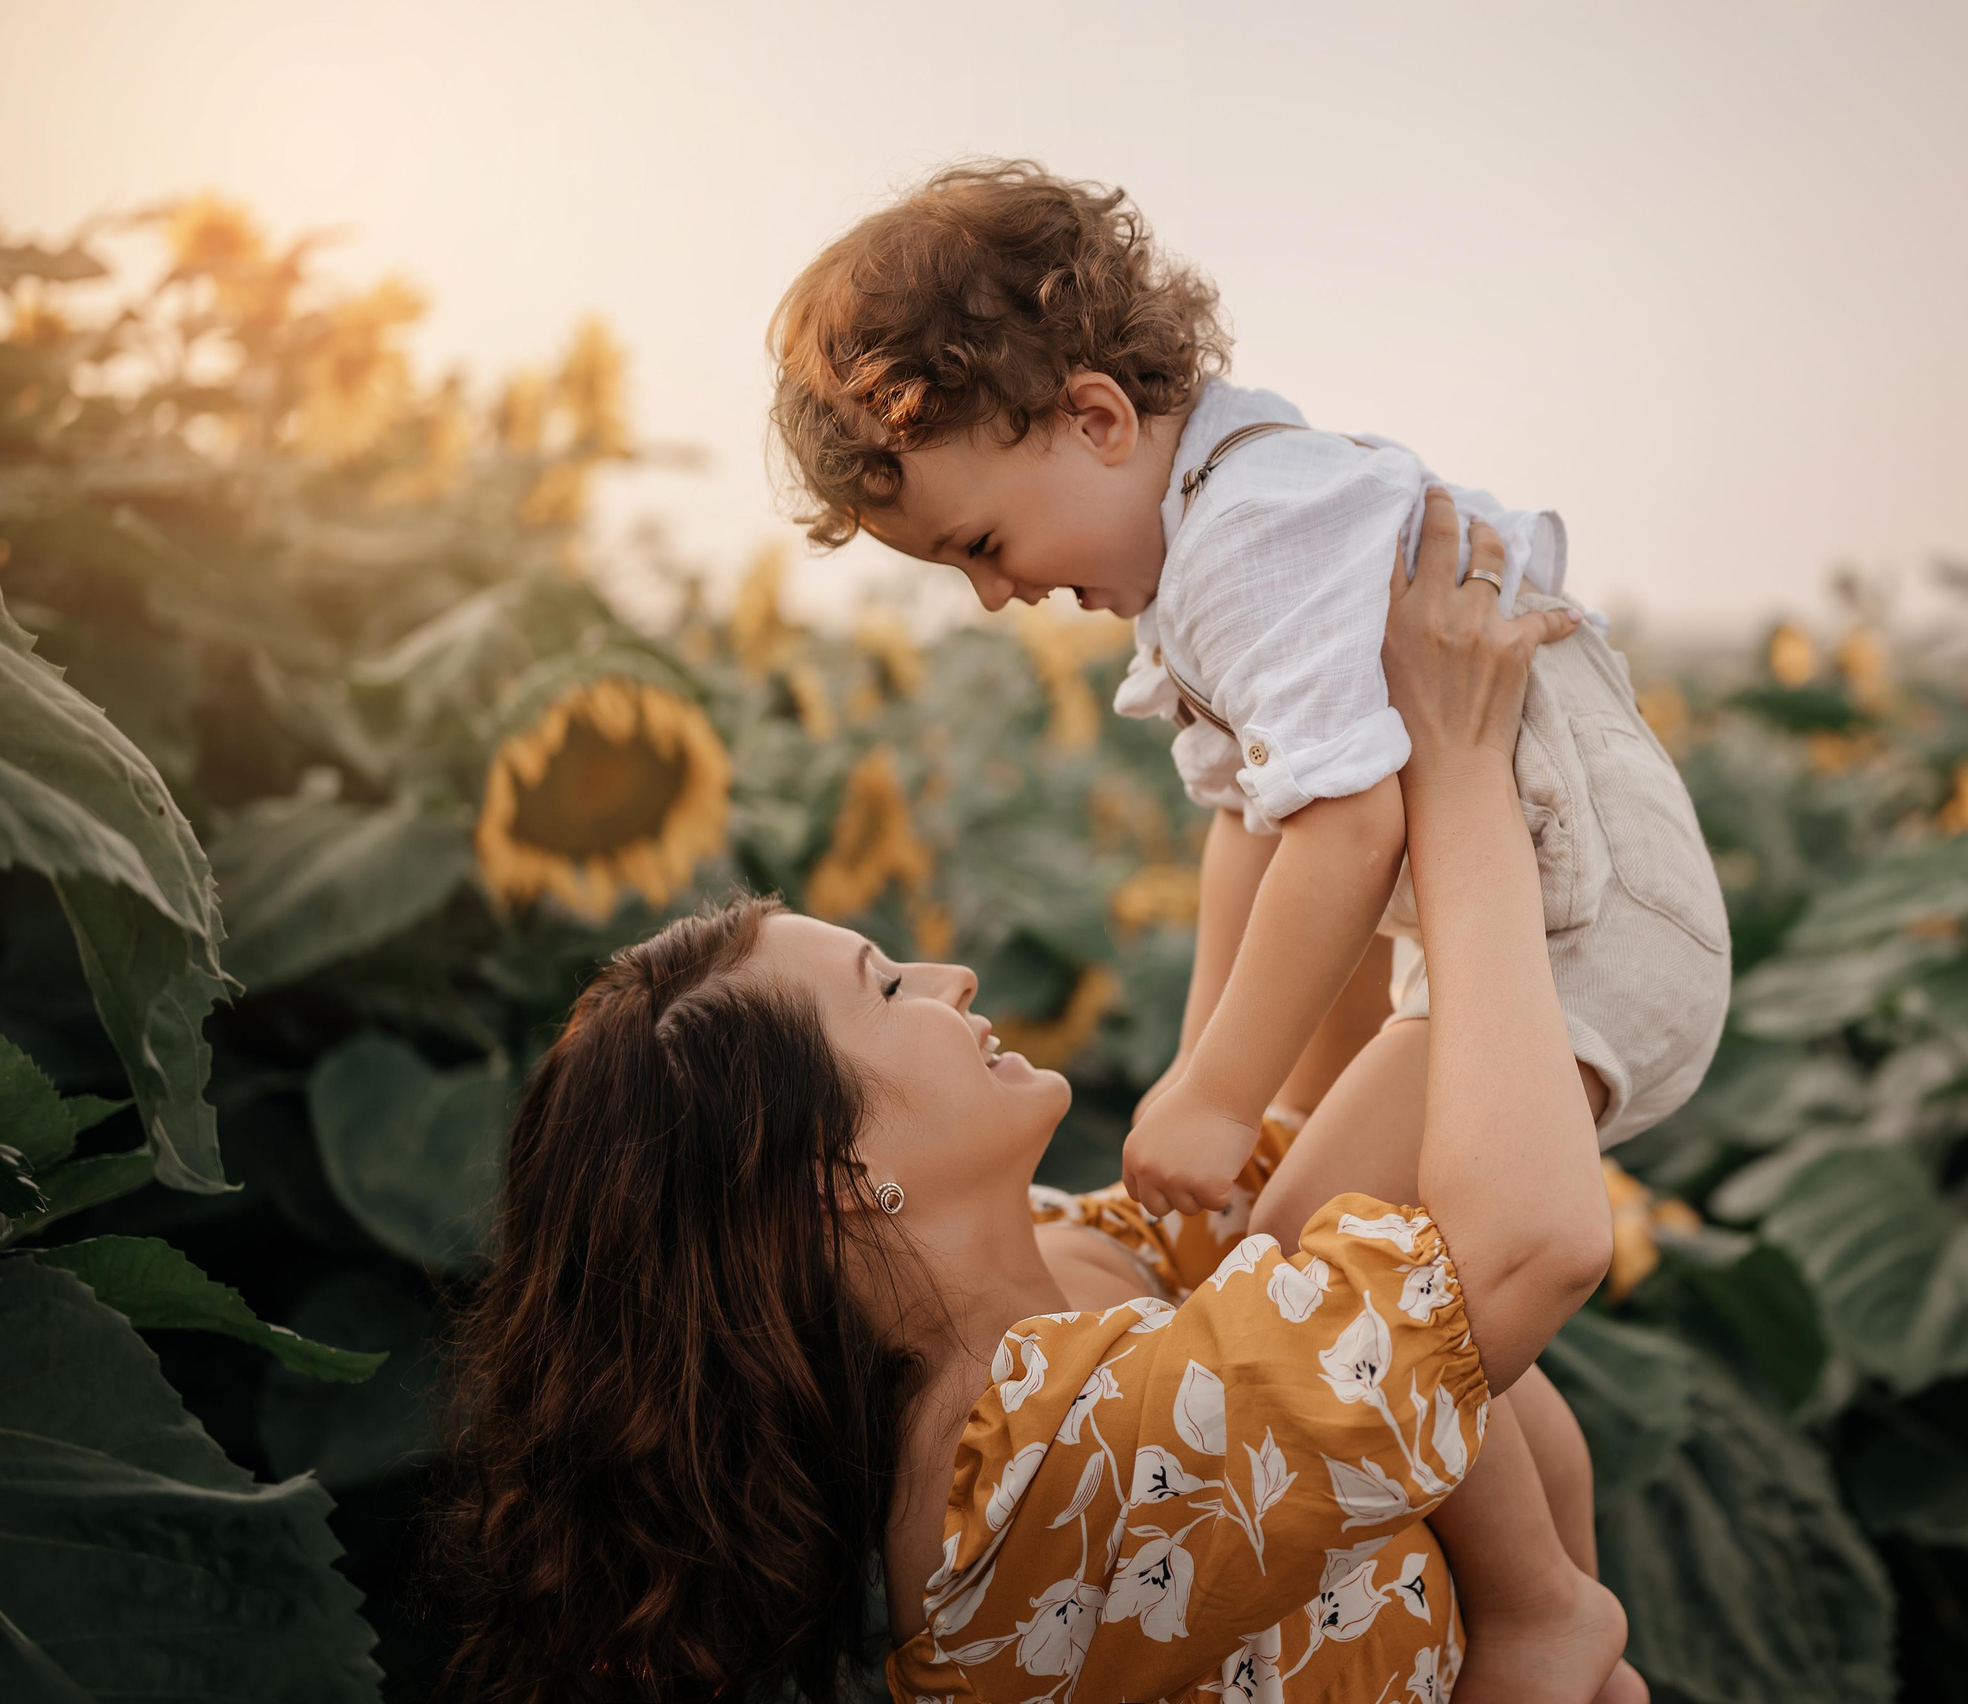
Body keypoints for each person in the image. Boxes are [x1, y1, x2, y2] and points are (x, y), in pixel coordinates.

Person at [435, 493, 1647, 1704]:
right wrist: (1464, 773)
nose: (952, 976)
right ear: (837, 1174)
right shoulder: (1036, 1487)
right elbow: (1524, 1245)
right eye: (887, 983)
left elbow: (1319, 1130)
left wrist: (1287, 723)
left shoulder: (1072, 1265)